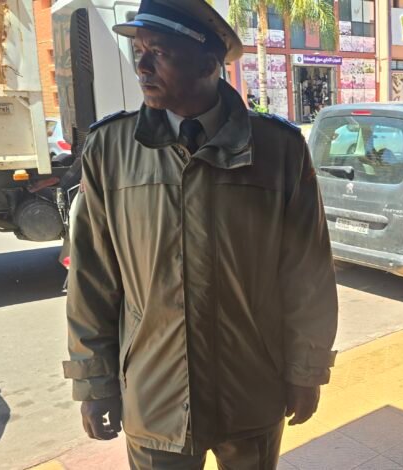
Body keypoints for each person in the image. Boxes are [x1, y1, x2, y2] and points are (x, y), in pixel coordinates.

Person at [62, 1, 338, 469]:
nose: (142, 66)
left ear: (209, 63)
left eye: (159, 53)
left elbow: (307, 274)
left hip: (251, 391)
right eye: (138, 51)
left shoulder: (278, 149)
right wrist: (94, 382)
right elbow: (92, 278)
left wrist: (306, 371)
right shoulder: (111, 149)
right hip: (156, 399)